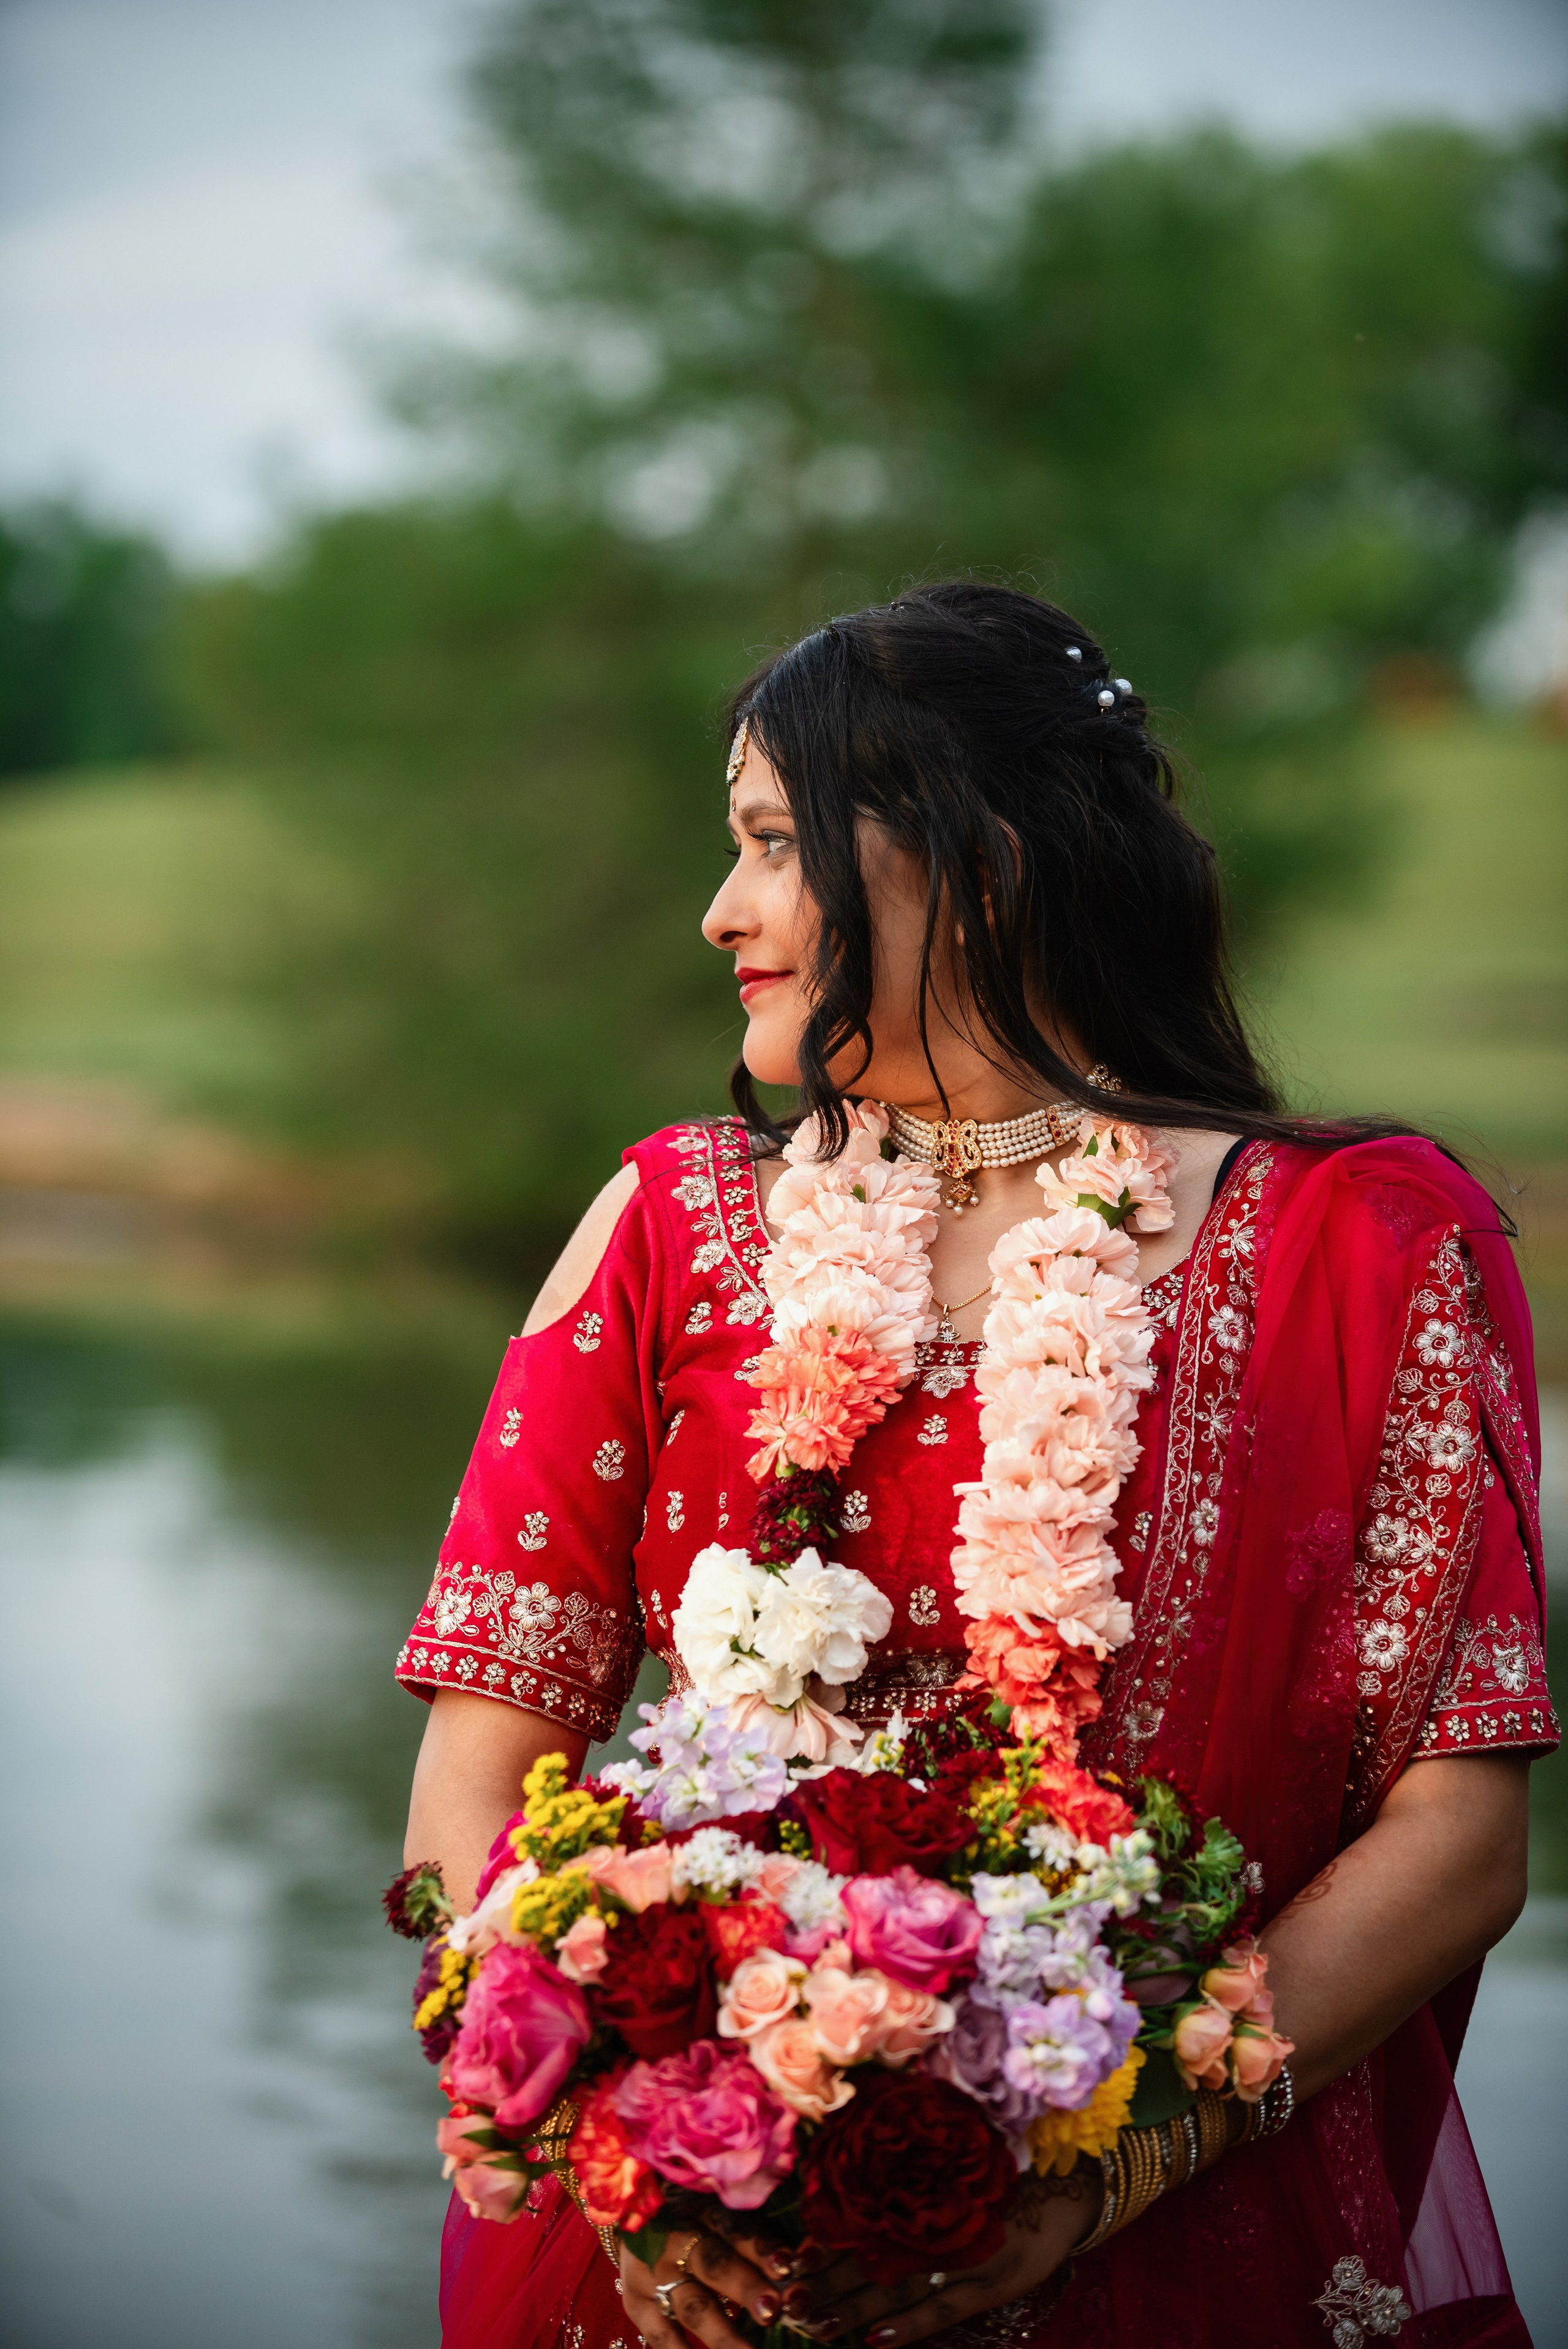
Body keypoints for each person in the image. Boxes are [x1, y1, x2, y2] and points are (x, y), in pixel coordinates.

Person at [399, 582, 1556, 2349]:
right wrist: (625, 2155)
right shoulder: (670, 1226)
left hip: (1179, 2241)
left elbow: (1460, 1828)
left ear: (987, 862)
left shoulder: (1371, 1248)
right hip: (692, 2270)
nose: (723, 912)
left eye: (777, 845)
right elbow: (476, 1786)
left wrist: (1098, 2173)